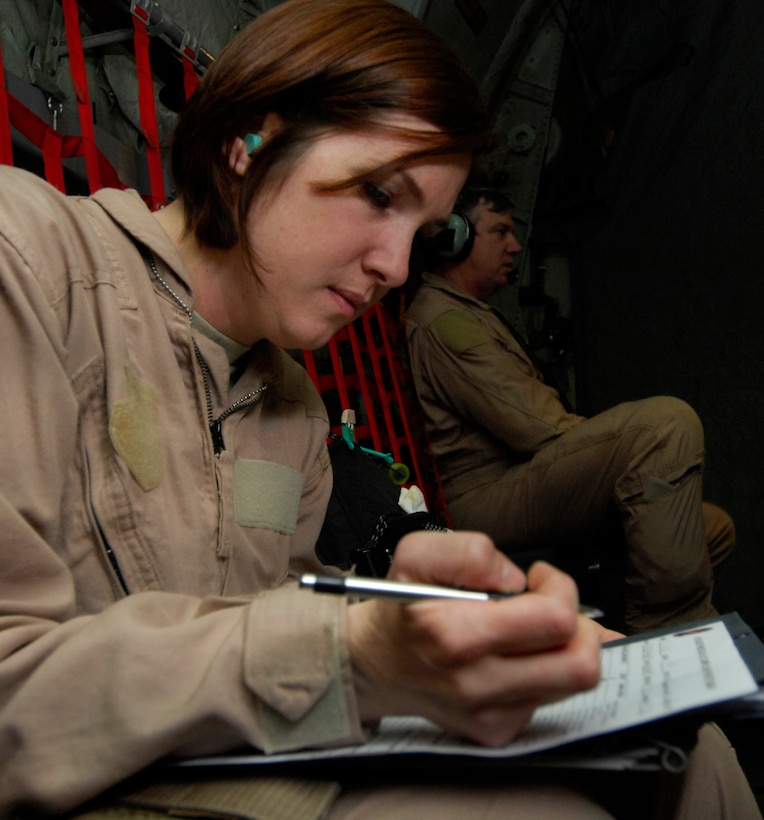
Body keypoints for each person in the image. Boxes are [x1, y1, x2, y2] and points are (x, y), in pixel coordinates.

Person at [0, 1, 758, 818]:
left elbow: (283, 630)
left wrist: (402, 613)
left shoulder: (292, 407)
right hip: (86, 781)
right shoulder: (32, 260)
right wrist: (346, 652)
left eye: (423, 229)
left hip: (237, 756)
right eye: (376, 193)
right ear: (250, 140)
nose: (395, 267)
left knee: (691, 754)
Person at [405, 187, 736, 636]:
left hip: (519, 477)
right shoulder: (443, 319)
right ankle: (671, 640)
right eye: (500, 231)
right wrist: (613, 454)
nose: (515, 246)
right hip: (483, 495)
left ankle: (614, 635)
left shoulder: (470, 313)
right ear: (453, 238)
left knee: (711, 526)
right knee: (664, 425)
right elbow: (538, 429)